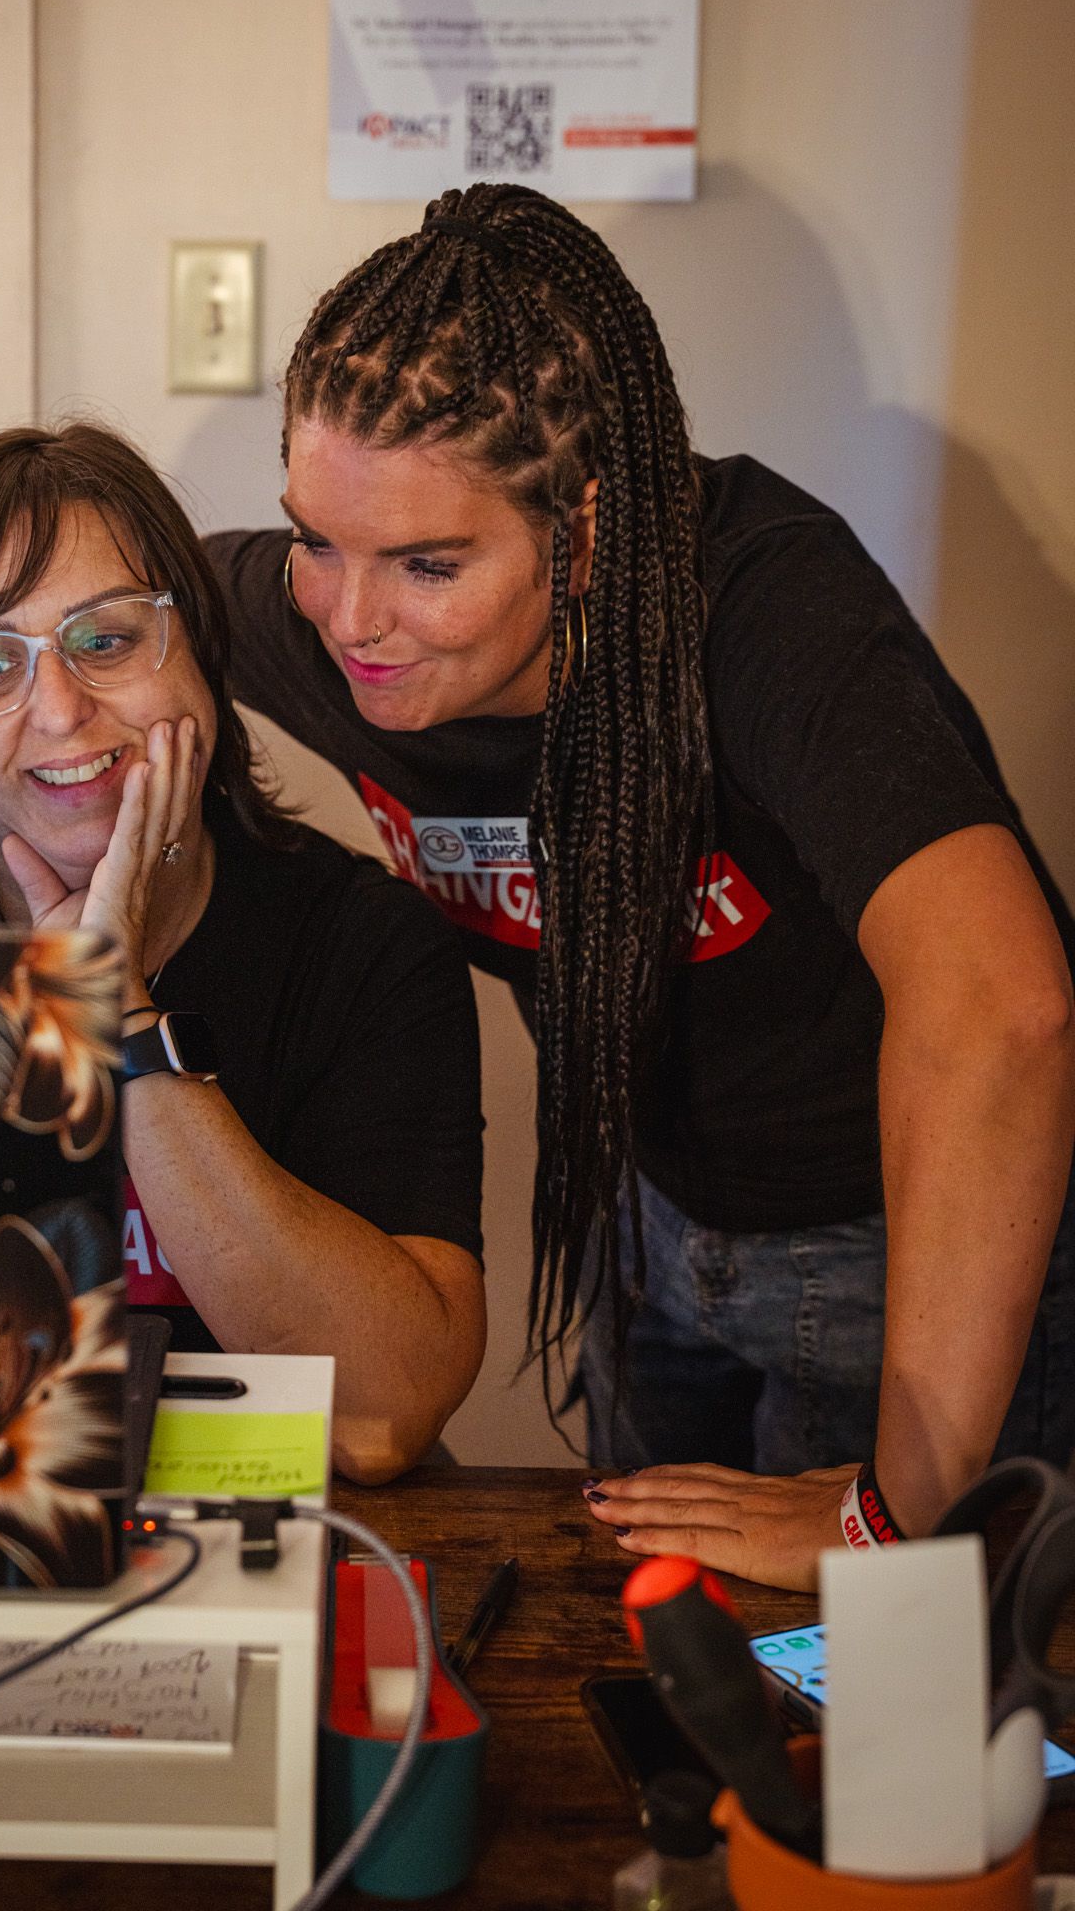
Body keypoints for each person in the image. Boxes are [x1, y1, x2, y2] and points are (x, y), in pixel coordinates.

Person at [204, 182, 1075, 1588]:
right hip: (639, 1222)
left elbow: (1006, 1010)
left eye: (429, 565)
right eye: (314, 536)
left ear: (588, 535)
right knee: (638, 1649)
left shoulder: (770, 612)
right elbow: (96, 614)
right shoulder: (322, 618)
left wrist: (899, 1520)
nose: (351, 621)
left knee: (870, 1729)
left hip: (892, 1259)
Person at [0, 422, 487, 1484]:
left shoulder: (362, 943)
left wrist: (114, 1011)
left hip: (260, 1513)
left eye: (108, 639)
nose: (63, 710)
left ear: (204, 653)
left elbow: (380, 1418)